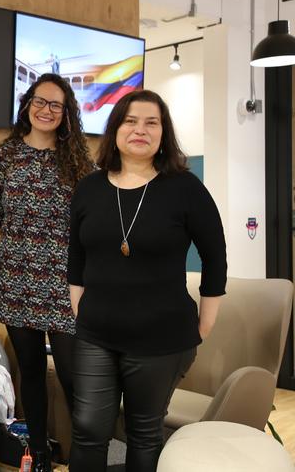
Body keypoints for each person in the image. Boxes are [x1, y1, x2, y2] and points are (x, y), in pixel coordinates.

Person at [67, 89, 226, 472]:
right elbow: (76, 257)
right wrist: (80, 310)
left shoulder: (185, 188)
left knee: (144, 432)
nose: (140, 130)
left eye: (151, 122)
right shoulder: (90, 187)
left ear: (163, 133)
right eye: (130, 121)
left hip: (161, 337)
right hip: (96, 334)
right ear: (116, 130)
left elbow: (215, 256)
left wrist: (205, 321)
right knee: (88, 427)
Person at [0, 73, 93, 471]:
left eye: (56, 105)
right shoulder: (5, 155)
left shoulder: (80, 160)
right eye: (40, 101)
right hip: (15, 279)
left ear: (66, 115)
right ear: (28, 104)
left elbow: (91, 219)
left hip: (67, 284)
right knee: (29, 373)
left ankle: (85, 455)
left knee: (72, 376)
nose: (46, 110)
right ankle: (41, 457)